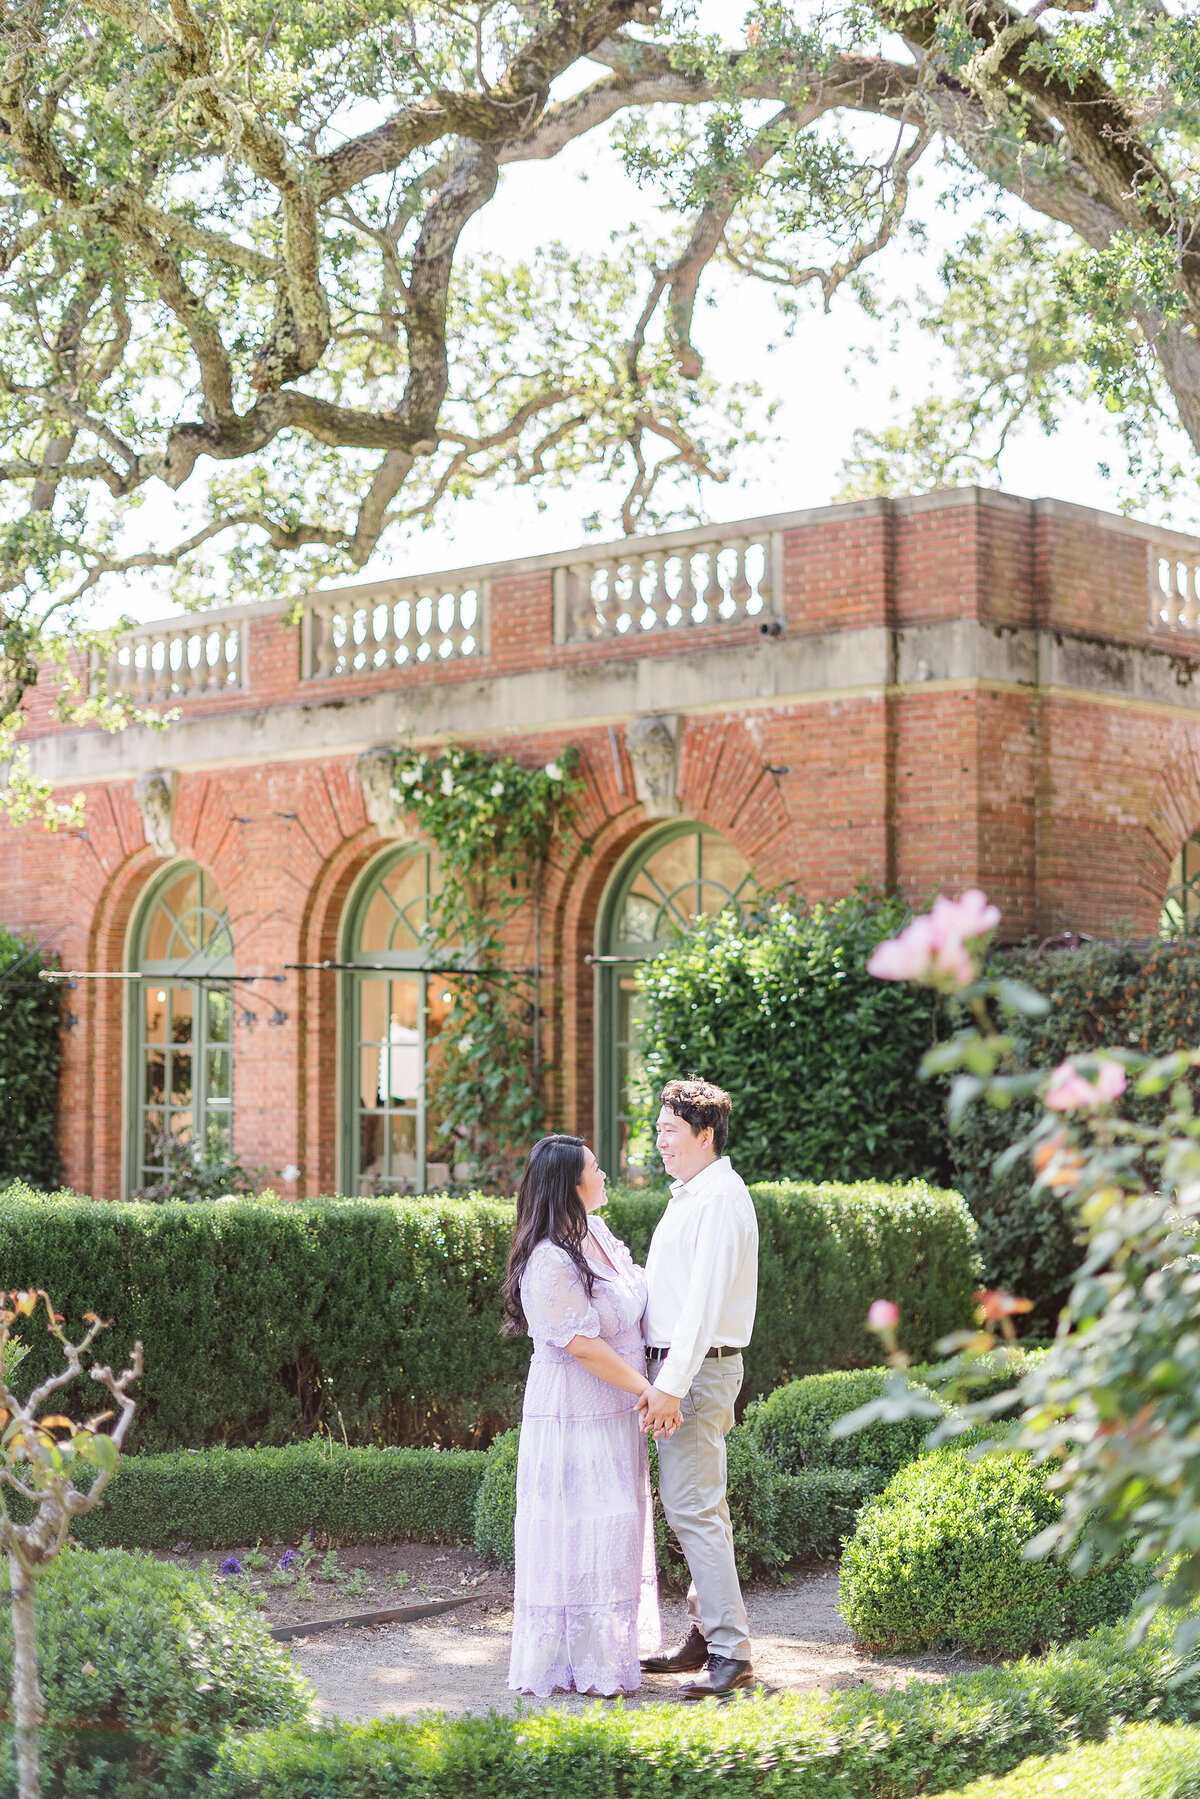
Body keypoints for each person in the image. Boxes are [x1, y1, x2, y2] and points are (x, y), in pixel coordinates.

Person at [503, 1134, 663, 1696]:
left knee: (615, 1526)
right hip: (573, 1413)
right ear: (571, 1184)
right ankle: (570, 1662)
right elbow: (582, 1344)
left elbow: (638, 1293)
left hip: (616, 1410)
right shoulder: (549, 1257)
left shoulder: (596, 1232)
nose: (604, 1174)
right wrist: (649, 1389)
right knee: (578, 1526)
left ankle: (604, 1656)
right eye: (595, 1167)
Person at [637, 1078, 759, 1699]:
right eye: (658, 1130)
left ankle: (730, 1653)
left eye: (670, 1131)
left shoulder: (718, 1199)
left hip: (697, 1373)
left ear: (705, 1134)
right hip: (687, 1370)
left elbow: (701, 1310)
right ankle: (704, 1634)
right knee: (695, 1506)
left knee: (695, 1510)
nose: (660, 1141)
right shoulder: (692, 1193)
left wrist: (670, 1386)